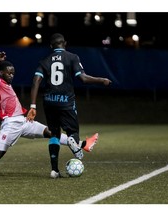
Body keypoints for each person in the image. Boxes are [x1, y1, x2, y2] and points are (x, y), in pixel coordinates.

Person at [0, 51, 90, 177]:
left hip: (23, 121)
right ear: (1, 73)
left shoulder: (2, 84)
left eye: (13, 73)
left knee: (51, 132)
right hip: (10, 123)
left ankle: (81, 144)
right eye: (9, 73)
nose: (11, 75)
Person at [26, 33, 112, 178]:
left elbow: (36, 81)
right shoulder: (72, 57)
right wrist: (102, 80)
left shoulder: (44, 61)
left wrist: (33, 106)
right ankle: (73, 141)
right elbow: (83, 78)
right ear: (64, 43)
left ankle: (54, 170)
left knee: (54, 134)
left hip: (49, 101)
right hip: (66, 101)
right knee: (73, 131)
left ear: (51, 46)